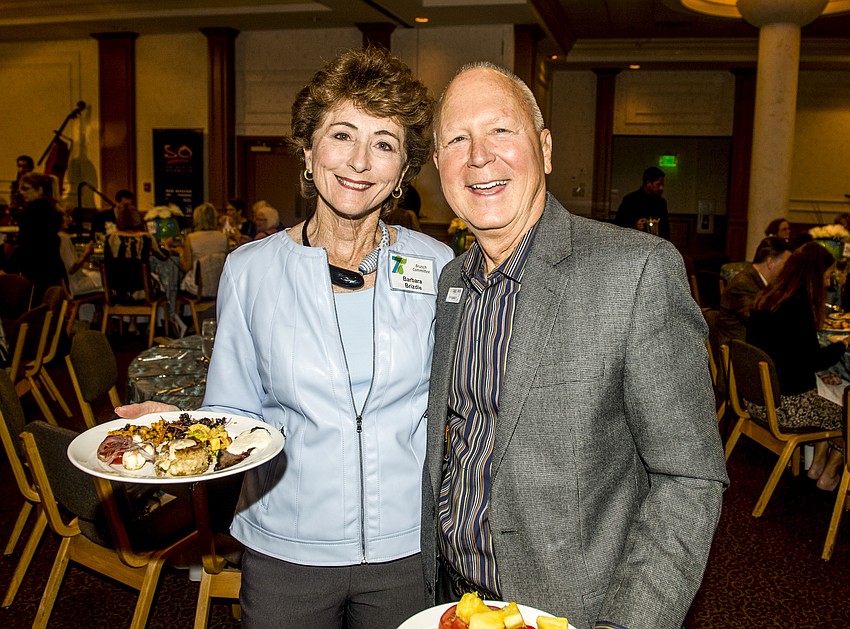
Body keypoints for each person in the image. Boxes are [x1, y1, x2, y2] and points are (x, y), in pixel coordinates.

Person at [115, 46, 453, 628]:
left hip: (408, 547)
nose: (359, 161)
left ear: (402, 170)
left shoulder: (439, 265)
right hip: (285, 542)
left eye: (384, 144)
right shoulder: (251, 269)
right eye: (342, 135)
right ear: (307, 150)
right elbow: (234, 408)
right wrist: (179, 431)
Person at [421, 62, 728, 629]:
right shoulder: (451, 284)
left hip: (577, 613)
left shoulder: (636, 271)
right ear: (438, 163)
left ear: (545, 148)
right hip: (452, 603)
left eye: (500, 131)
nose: (478, 155)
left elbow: (689, 476)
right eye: (457, 139)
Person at [746, 241, 849, 491]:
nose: (827, 282)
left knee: (833, 393)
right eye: (826, 276)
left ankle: (817, 466)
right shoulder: (798, 306)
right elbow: (814, 358)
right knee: (847, 414)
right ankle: (828, 475)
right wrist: (844, 344)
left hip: (758, 399)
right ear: (815, 276)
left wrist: (822, 372)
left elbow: (793, 353)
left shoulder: (769, 297)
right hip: (788, 408)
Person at [716, 236, 792, 348]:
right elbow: (761, 325)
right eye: (787, 264)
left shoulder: (761, 282)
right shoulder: (742, 285)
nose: (789, 270)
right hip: (740, 356)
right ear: (770, 262)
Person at [3, 172, 66, 301]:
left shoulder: (33, 210)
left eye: (25, 188)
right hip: (51, 267)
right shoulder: (51, 208)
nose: (21, 192)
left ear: (39, 190)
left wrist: (7, 267)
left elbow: (28, 244)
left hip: (36, 270)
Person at [176, 202, 228, 296]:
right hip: (219, 286)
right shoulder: (223, 237)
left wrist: (180, 253)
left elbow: (186, 267)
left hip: (197, 287)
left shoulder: (191, 238)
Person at [614, 165, 670, 239]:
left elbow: (665, 228)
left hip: (656, 243)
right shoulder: (631, 200)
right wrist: (634, 225)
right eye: (658, 184)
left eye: (662, 185)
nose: (661, 188)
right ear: (648, 183)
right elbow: (619, 224)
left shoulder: (661, 203)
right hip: (634, 242)